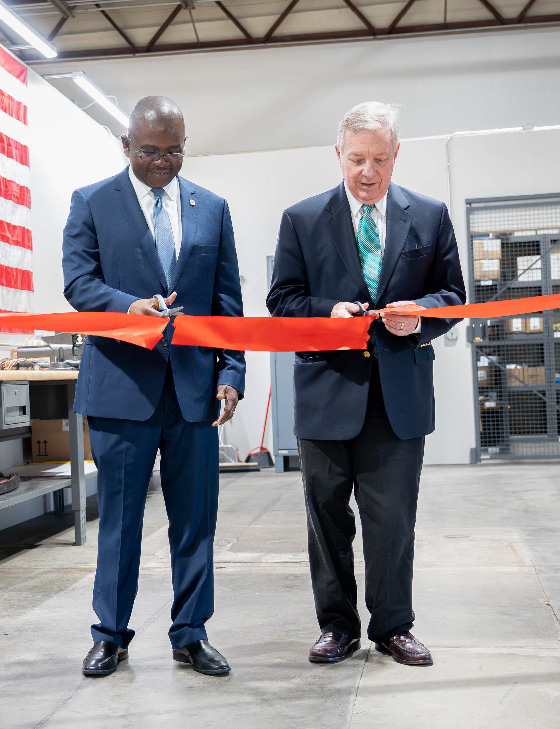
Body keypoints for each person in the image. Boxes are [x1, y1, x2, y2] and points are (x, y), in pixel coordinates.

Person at [267, 102, 465, 667]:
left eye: (379, 159)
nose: (368, 172)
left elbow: (454, 296)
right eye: (356, 159)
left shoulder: (429, 216)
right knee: (326, 518)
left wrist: (421, 314)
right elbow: (281, 301)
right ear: (338, 155)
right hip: (327, 391)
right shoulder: (302, 219)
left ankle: (393, 625)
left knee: (393, 520)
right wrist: (328, 312)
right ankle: (336, 626)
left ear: (397, 154)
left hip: (397, 397)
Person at [63, 96, 245, 677]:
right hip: (121, 387)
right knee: (120, 521)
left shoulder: (211, 208)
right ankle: (110, 635)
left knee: (196, 520)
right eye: (150, 151)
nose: (163, 162)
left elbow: (226, 304)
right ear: (126, 146)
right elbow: (78, 283)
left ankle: (191, 633)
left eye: (174, 151)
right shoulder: (92, 201)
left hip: (194, 390)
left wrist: (232, 373)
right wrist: (128, 307)